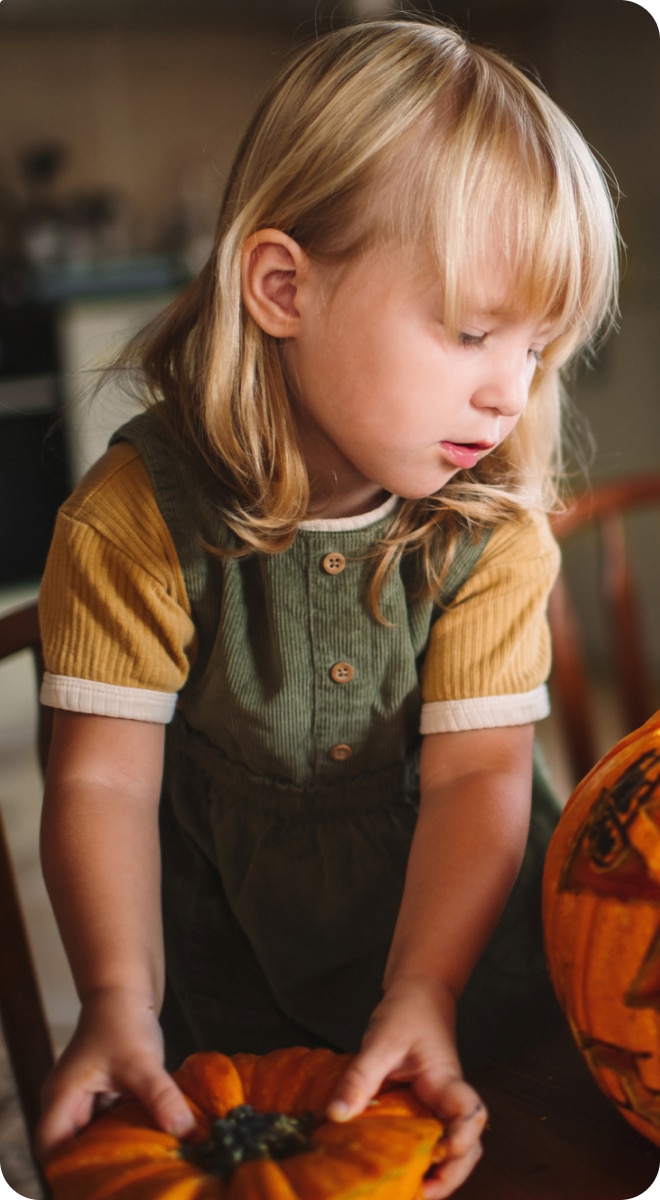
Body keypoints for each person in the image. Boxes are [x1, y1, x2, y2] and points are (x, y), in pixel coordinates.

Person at [35, 17, 619, 1197]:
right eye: (469, 331)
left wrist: (425, 990)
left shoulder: (488, 535)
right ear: (285, 288)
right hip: (244, 1016)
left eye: (539, 347)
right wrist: (111, 999)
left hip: (484, 995)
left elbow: (479, 778)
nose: (510, 390)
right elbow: (100, 779)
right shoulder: (132, 524)